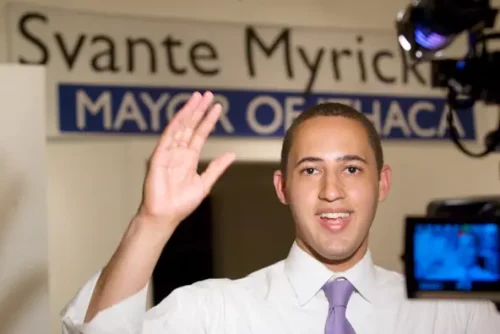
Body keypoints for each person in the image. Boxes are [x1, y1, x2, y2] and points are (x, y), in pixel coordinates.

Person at [60, 91, 500, 334]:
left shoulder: (454, 315)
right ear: (282, 187)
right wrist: (152, 222)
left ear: (382, 182)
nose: (332, 191)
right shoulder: (216, 312)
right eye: (311, 170)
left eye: (351, 168)